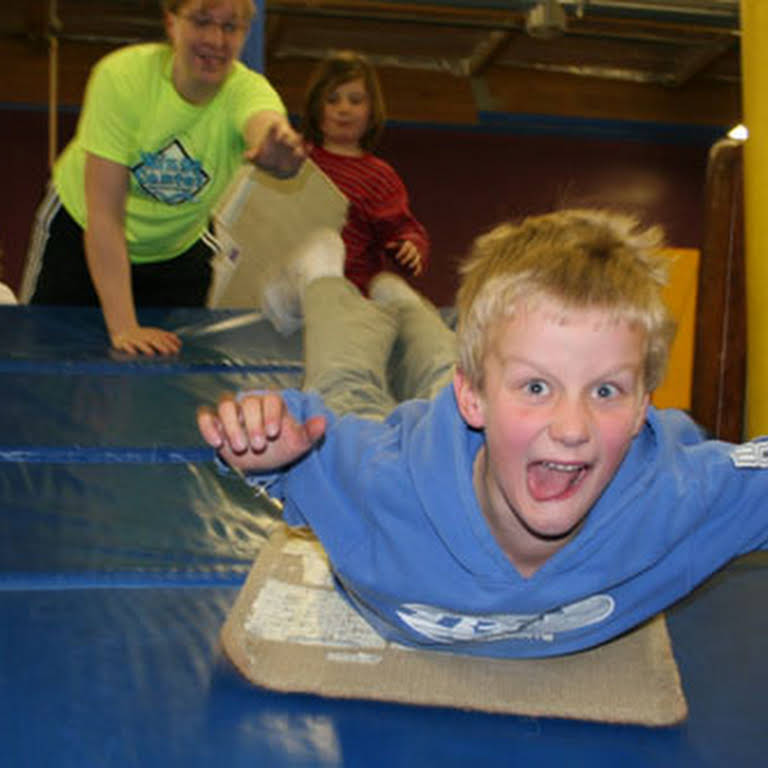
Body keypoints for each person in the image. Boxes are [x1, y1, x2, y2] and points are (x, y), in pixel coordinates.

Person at [197, 209, 768, 659]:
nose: (573, 429)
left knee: (458, 362)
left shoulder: (674, 497)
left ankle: (411, 307)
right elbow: (284, 443)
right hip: (415, 447)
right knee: (349, 383)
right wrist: (264, 442)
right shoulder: (381, 480)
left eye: (606, 391)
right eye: (539, 388)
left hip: (480, 406)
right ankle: (326, 279)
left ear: (645, 404)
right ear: (468, 398)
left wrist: (529, 388)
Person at [23, 0, 305, 356]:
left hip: (175, 247)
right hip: (80, 231)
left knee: (170, 376)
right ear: (172, 23)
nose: (216, 40)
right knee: (42, 359)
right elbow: (104, 214)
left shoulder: (248, 91)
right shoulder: (122, 77)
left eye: (230, 27)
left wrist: (276, 151)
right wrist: (124, 326)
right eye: (202, 22)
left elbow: (263, 123)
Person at [301, 50, 429, 294]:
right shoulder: (297, 160)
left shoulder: (379, 177)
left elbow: (403, 228)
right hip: (297, 287)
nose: (344, 109)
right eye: (333, 99)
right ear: (317, 108)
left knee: (393, 294)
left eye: (355, 100)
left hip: (354, 294)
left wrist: (410, 247)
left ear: (371, 111)